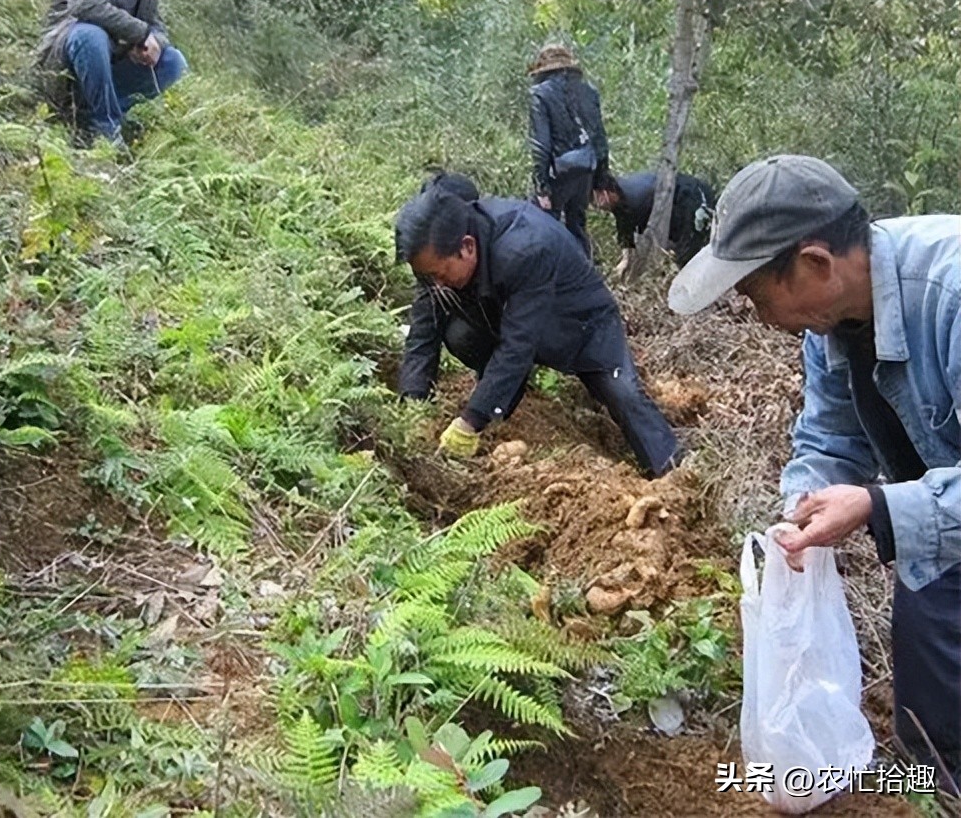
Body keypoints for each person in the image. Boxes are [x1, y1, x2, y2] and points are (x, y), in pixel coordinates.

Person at [668, 154, 960, 792]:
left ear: (815, 263)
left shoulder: (951, 296)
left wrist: (878, 507)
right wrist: (803, 503)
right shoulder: (832, 322)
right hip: (943, 525)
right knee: (933, 717)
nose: (756, 316)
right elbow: (830, 433)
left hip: (934, 509)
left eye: (755, 295)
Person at [395, 184, 681, 478]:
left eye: (440, 274)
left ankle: (670, 467)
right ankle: (504, 396)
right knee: (460, 335)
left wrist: (471, 420)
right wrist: (414, 405)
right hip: (511, 316)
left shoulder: (525, 247)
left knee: (622, 394)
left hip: (581, 322)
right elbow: (423, 332)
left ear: (467, 247)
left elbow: (518, 343)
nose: (437, 285)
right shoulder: (435, 258)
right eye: (429, 277)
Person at [38, 0, 187, 146]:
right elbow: (84, 4)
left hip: (116, 60)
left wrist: (150, 44)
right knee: (90, 36)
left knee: (172, 61)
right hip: (69, 58)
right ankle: (104, 128)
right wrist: (140, 33)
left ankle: (98, 114)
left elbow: (155, 25)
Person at [527, 44, 610, 258]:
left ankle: (551, 273)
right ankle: (584, 271)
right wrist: (601, 180)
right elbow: (599, 137)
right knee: (578, 226)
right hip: (586, 169)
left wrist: (542, 187)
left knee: (544, 226)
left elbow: (541, 144)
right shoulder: (589, 92)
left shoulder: (540, 94)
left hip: (559, 172)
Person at [593, 171, 716, 274]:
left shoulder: (635, 199)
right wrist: (625, 260)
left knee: (690, 255)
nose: (594, 206)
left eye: (593, 200)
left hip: (691, 196)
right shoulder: (618, 198)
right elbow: (625, 230)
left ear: (604, 193)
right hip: (673, 202)